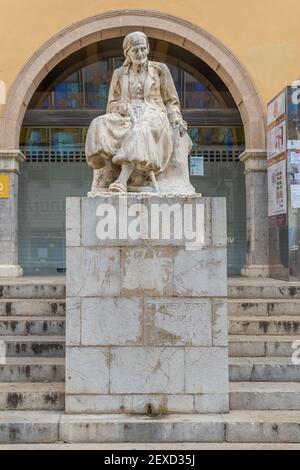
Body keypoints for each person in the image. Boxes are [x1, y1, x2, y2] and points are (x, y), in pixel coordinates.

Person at [85, 31, 188, 193]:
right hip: (127, 115)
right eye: (135, 50)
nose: (140, 53)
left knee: (141, 128)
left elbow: (171, 100)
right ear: (127, 53)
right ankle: (109, 170)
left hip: (154, 114)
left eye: (142, 49)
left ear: (147, 48)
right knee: (98, 123)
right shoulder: (119, 74)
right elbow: (111, 104)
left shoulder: (160, 70)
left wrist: (175, 117)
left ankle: (122, 180)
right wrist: (121, 107)